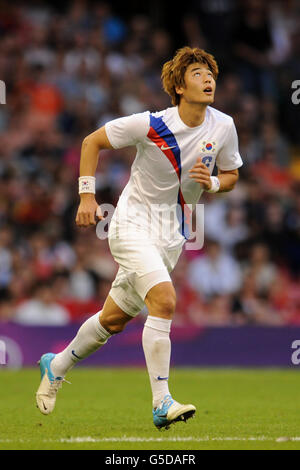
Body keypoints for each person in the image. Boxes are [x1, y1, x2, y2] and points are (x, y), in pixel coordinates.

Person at [36, 46, 243, 430]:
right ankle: (162, 401)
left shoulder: (224, 126)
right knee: (164, 299)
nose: (209, 79)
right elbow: (90, 142)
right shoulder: (152, 125)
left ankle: (57, 363)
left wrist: (213, 182)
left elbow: (231, 175)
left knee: (113, 321)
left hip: (173, 236)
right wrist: (86, 196)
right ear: (180, 86)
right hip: (130, 224)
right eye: (198, 74)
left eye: (211, 73)